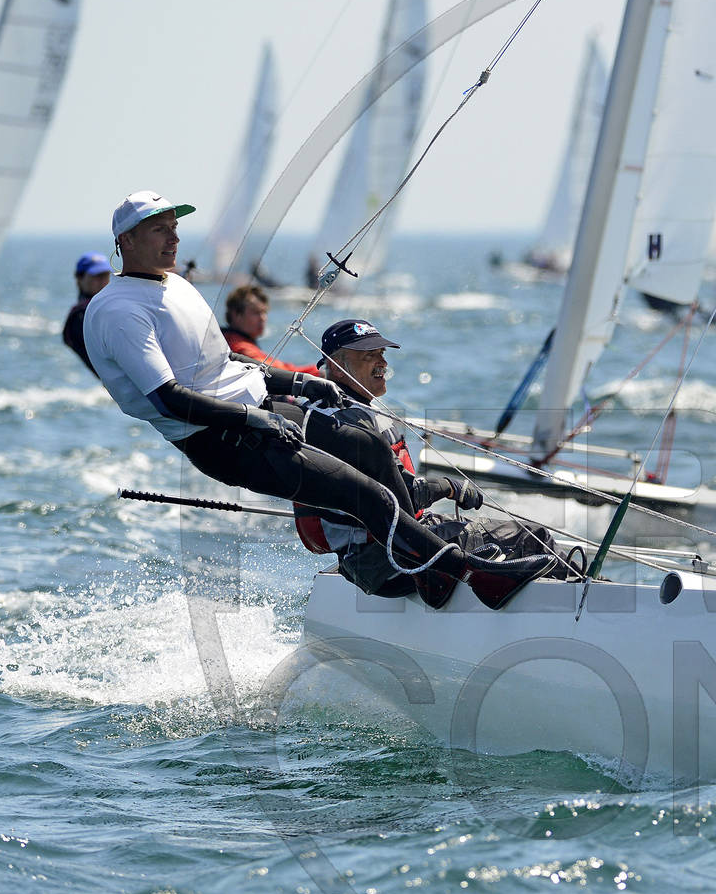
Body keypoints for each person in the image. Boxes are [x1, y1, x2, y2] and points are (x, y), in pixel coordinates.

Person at [82, 189, 551, 609]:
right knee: (367, 496)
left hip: (261, 408)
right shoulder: (119, 310)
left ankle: (419, 557)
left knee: (369, 445)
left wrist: (302, 384)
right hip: (221, 437)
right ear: (126, 240)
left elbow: (226, 365)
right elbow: (169, 399)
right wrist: (251, 419)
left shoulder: (176, 285)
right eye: (159, 230)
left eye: (174, 227)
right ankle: (468, 574)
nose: (174, 238)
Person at [289, 318, 491, 596]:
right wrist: (450, 486)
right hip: (390, 562)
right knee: (527, 537)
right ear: (336, 367)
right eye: (369, 356)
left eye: (382, 353)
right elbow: (398, 501)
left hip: (370, 557)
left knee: (488, 533)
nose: (382, 363)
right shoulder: (347, 426)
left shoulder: (329, 412)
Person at [222, 284, 318, 374]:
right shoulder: (238, 347)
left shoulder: (229, 340)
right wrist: (319, 372)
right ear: (236, 315)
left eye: (264, 312)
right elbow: (272, 369)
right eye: (256, 312)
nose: (263, 318)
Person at [62, 252, 114, 376]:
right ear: (79, 279)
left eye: (105, 275)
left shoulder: (110, 306)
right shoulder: (79, 317)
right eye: (96, 276)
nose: (103, 281)